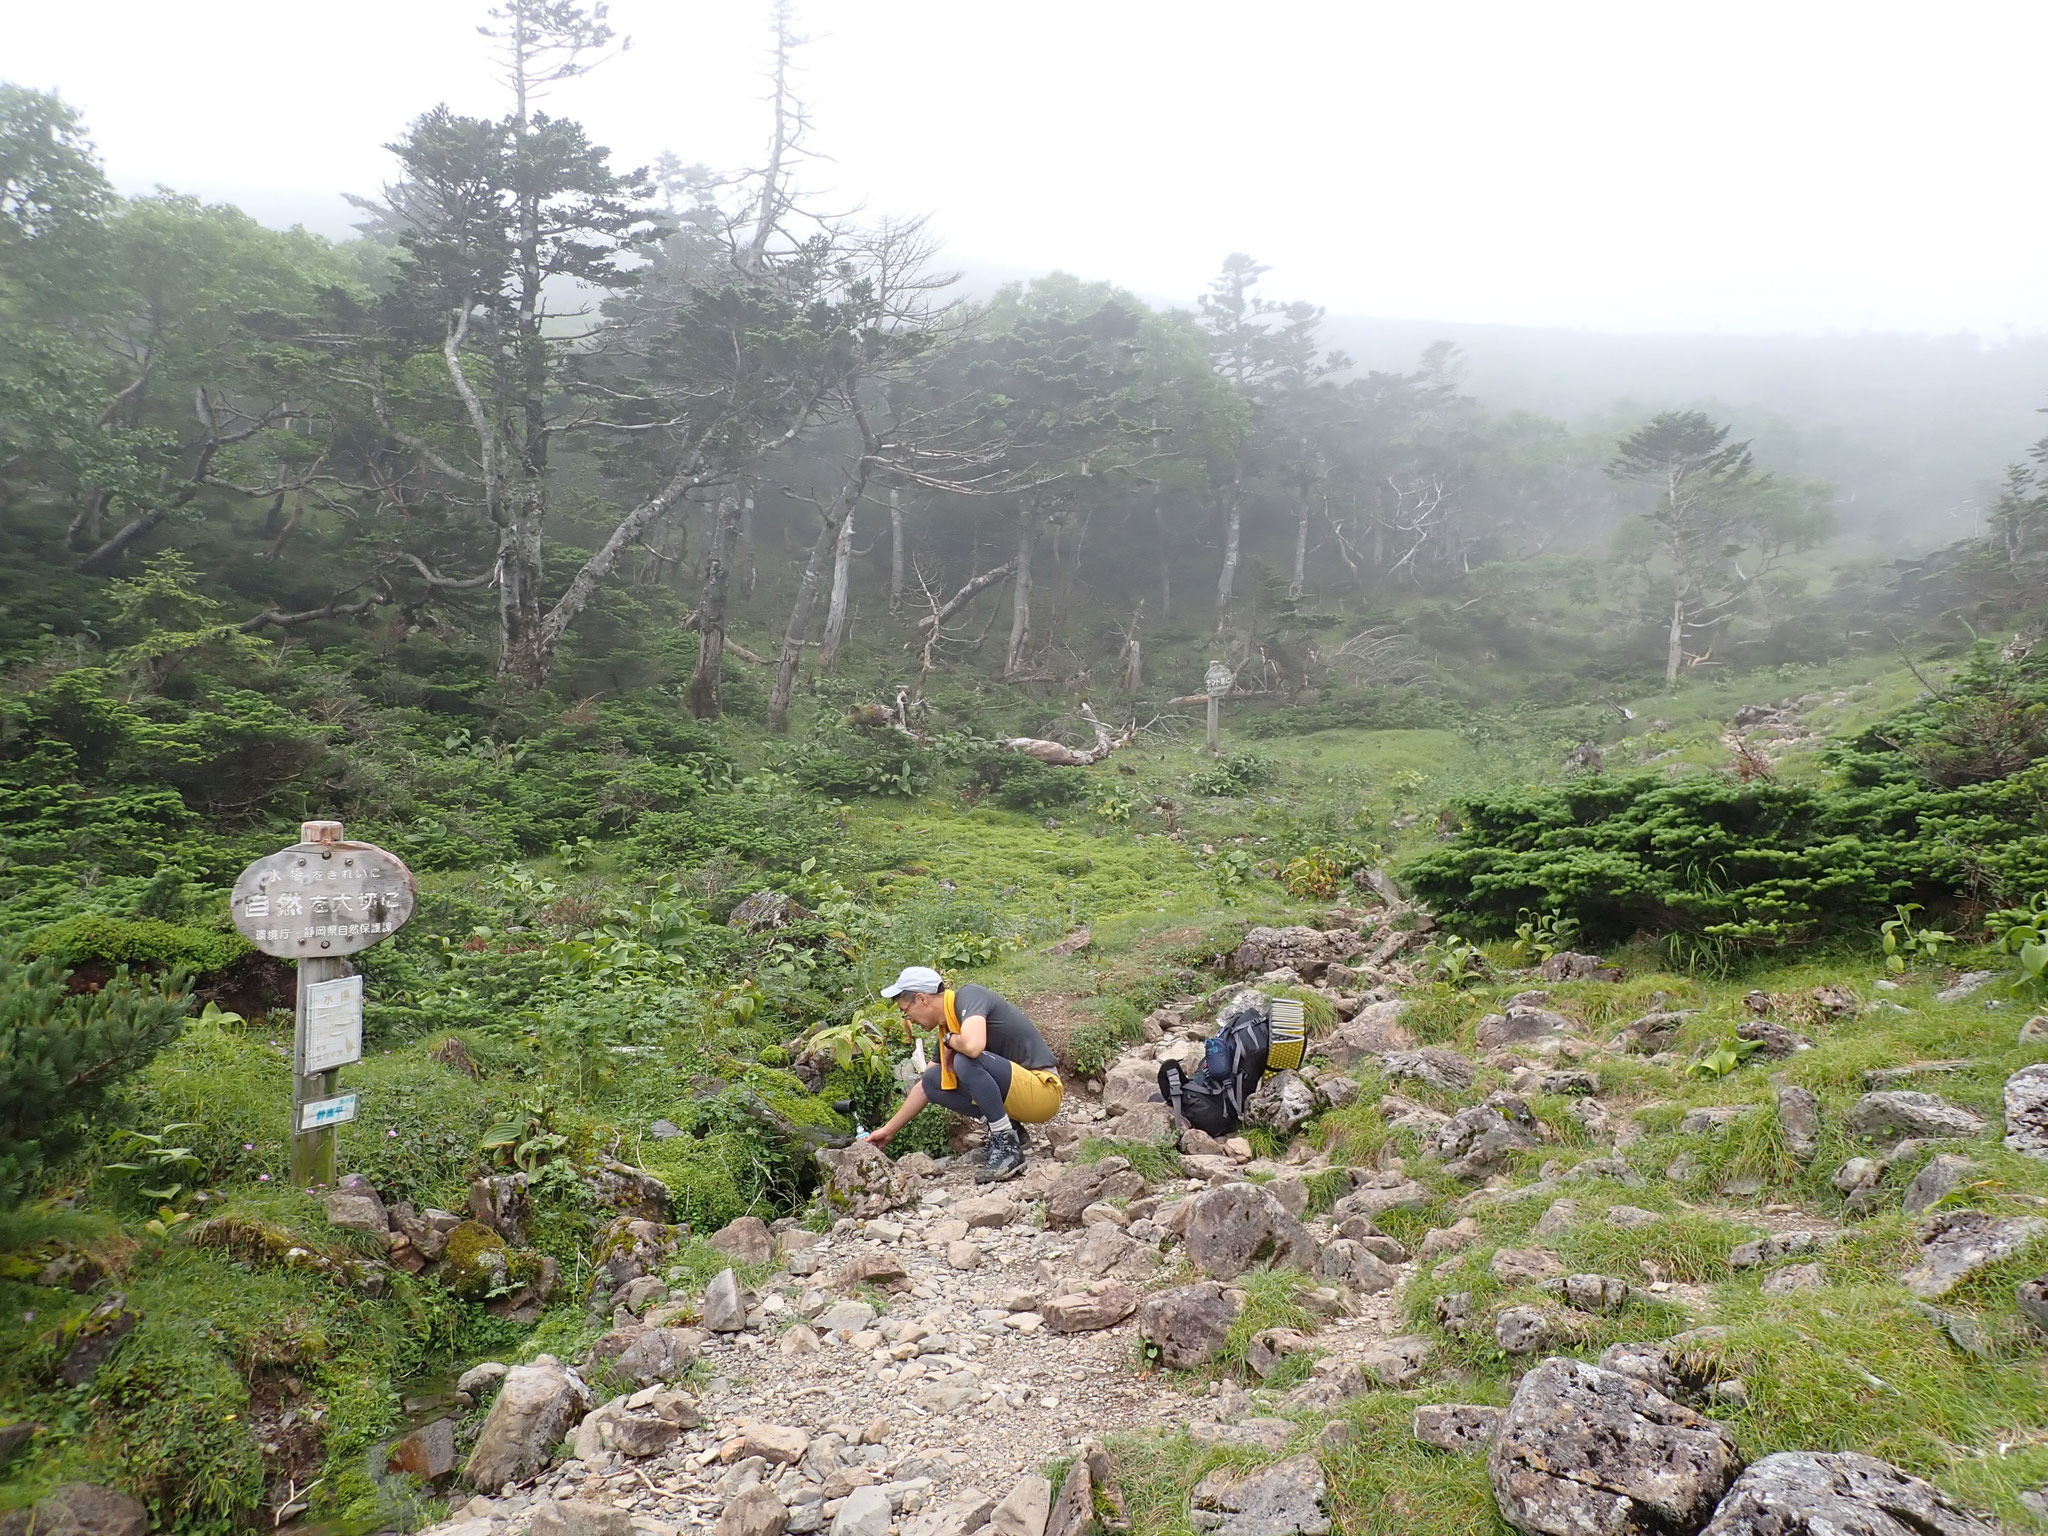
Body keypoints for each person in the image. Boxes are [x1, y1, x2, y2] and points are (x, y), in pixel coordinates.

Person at [860, 965, 1064, 1183]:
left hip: (1043, 1090)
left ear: (922, 999)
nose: (908, 1019)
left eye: (905, 1011)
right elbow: (926, 1086)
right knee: (933, 1079)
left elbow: (974, 1047)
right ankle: (1012, 1132)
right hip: (1020, 1094)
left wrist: (950, 1040)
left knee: (965, 1059)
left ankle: (1007, 1146)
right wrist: (888, 1131)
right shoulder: (948, 1026)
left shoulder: (969, 997)